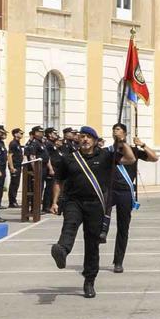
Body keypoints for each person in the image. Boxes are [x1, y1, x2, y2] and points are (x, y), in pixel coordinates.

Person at [48, 126, 117, 298]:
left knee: (92, 244)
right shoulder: (70, 159)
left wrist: (120, 140)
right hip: (74, 201)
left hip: (95, 204)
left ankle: (89, 281)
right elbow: (58, 180)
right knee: (69, 226)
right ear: (78, 140)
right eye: (83, 137)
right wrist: (54, 202)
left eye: (89, 137)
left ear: (95, 140)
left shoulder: (105, 156)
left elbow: (129, 159)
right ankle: (61, 251)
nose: (85, 139)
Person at [105, 123, 158, 273]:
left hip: (125, 192)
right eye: (114, 130)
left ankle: (118, 261)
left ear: (125, 133)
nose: (116, 132)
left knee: (123, 227)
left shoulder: (133, 150)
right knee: (101, 218)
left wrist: (142, 144)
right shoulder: (108, 151)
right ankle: (102, 233)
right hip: (109, 190)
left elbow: (154, 158)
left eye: (119, 130)